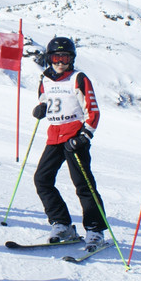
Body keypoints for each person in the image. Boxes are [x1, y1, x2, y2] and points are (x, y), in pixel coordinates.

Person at [31, 36, 107, 249]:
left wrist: (85, 135)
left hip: (74, 137)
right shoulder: (45, 79)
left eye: (65, 58)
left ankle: (95, 229)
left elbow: (93, 110)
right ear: (49, 58)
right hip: (54, 136)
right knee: (42, 179)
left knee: (83, 184)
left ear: (71, 59)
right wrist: (41, 108)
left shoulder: (78, 78)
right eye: (56, 57)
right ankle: (62, 223)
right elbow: (45, 99)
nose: (60, 62)